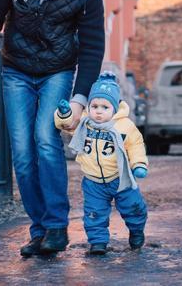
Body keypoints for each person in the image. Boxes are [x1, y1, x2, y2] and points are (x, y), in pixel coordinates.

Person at [0, 0, 105, 257]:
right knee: (22, 150)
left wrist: (79, 99)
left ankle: (57, 227)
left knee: (46, 141)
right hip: (16, 70)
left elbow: (93, 45)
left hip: (57, 71)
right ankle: (39, 228)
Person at [55, 72, 149, 256]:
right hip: (93, 181)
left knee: (134, 208)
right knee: (94, 212)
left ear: (114, 109)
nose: (98, 111)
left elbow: (136, 144)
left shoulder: (124, 126)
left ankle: (137, 231)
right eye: (94, 106)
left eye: (104, 107)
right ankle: (98, 242)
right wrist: (64, 114)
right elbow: (66, 125)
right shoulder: (84, 123)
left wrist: (139, 164)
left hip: (120, 178)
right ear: (88, 106)